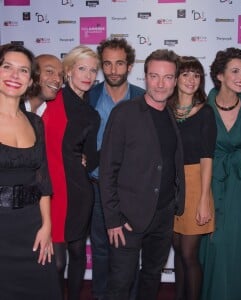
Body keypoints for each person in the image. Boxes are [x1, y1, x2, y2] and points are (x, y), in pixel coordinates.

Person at [100, 49, 185, 300]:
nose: (161, 84)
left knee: (151, 277)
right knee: (120, 284)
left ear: (175, 80)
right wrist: (113, 218)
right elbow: (107, 169)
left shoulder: (170, 113)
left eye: (168, 77)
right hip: (127, 217)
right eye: (154, 76)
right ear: (145, 77)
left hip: (163, 214)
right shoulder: (124, 113)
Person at [0, 44, 61, 299]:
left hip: (31, 227)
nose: (15, 76)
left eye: (23, 70)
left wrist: (46, 226)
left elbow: (42, 178)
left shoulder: (35, 122)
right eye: (7, 67)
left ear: (30, 80)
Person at [199, 48, 241, 300]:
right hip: (211, 184)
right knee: (215, 245)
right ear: (219, 75)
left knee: (240, 244)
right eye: (235, 71)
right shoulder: (203, 109)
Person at [42, 45, 100, 300]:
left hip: (78, 191)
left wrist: (91, 158)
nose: (88, 75)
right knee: (55, 261)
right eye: (82, 68)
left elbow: (93, 157)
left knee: (77, 254)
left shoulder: (92, 114)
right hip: (49, 190)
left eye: (92, 70)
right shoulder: (50, 99)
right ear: (68, 71)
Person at [88, 37, 144, 300]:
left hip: (131, 192)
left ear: (130, 66)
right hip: (97, 187)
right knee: (101, 251)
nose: (113, 70)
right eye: (107, 64)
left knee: (129, 253)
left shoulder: (143, 99)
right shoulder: (90, 96)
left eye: (119, 64)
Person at [169, 56, 216, 300]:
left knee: (188, 253)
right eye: (186, 74)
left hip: (196, 182)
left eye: (196, 75)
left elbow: (208, 157)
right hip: (171, 184)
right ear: (176, 78)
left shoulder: (206, 112)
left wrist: (204, 200)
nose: (191, 80)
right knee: (177, 250)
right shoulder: (166, 109)